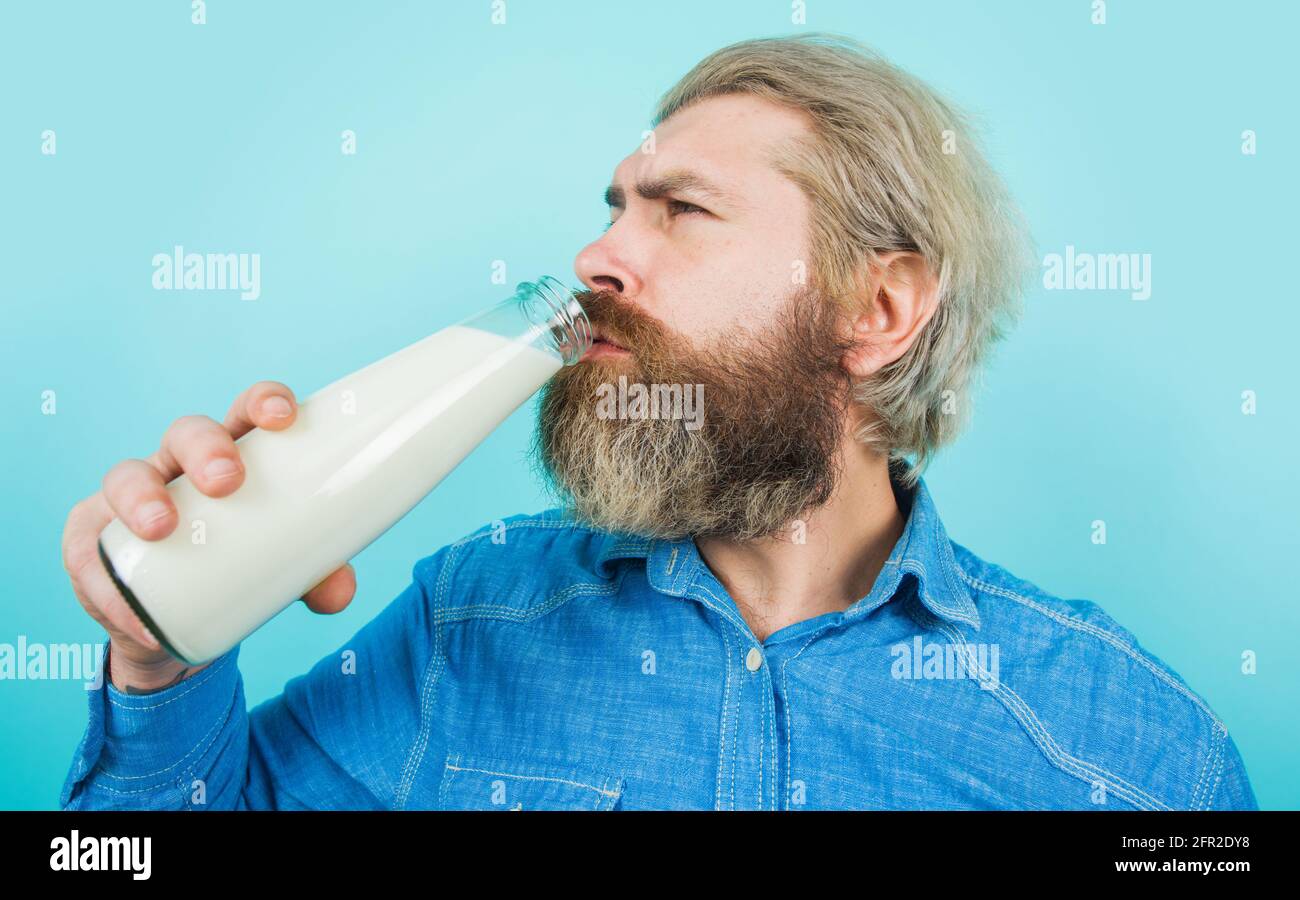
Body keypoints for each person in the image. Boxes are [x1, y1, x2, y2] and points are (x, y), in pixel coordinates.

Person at [58, 33, 1256, 810]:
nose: (595, 258)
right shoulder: (467, 622)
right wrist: (159, 663)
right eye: (613, 208)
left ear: (879, 307)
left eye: (680, 212)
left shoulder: (1138, 759)